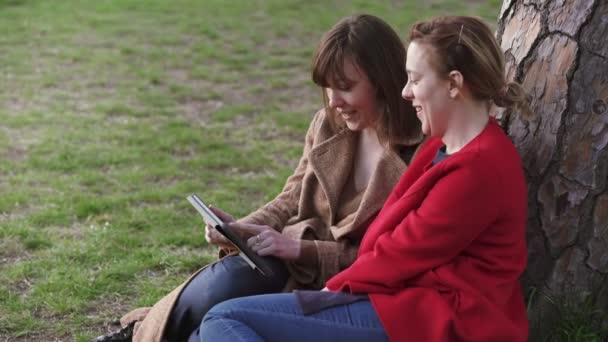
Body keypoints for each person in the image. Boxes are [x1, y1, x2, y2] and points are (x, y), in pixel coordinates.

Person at [198, 15, 532, 342]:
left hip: (443, 318)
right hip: (396, 300)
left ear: (454, 84)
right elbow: (383, 237)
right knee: (205, 333)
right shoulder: (441, 146)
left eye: (415, 80)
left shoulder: (479, 167)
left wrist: (331, 290)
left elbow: (403, 253)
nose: (406, 92)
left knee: (222, 320)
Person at [91, 14, 422, 342]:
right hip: (295, 256)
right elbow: (292, 195)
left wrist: (300, 250)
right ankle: (136, 335)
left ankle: (147, 331)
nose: (334, 101)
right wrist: (240, 230)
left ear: (382, 79)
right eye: (328, 88)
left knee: (218, 318)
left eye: (346, 88)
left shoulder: (419, 151)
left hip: (348, 278)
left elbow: (389, 256)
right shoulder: (326, 124)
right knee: (230, 280)